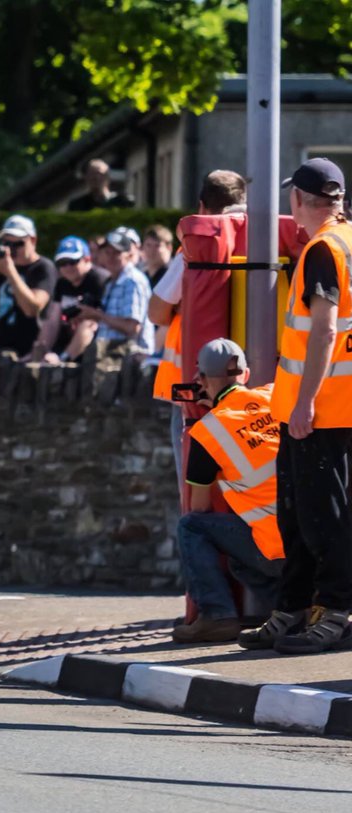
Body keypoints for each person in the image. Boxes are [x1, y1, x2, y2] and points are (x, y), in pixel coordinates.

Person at [241, 158, 352, 654]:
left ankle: (337, 612)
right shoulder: (346, 241)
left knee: (321, 520)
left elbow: (325, 330)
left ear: (298, 201)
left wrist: (305, 402)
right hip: (319, 408)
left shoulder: (323, 250)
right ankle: (292, 608)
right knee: (298, 516)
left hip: (321, 410)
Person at [172, 340, 285, 643]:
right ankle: (301, 606)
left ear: (201, 381)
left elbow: (199, 508)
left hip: (276, 552)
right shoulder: (276, 394)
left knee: (191, 526)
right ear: (246, 375)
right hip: (319, 545)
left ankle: (216, 615)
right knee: (238, 560)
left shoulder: (207, 431)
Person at [150, 170, 248, 496]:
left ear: (202, 206)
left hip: (199, 388)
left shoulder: (200, 243)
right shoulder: (272, 236)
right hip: (258, 384)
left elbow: (156, 310)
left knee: (196, 494)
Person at [0, 214, 56, 357]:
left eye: (18, 244)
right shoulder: (0, 268)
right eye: (7, 244)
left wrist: (10, 271)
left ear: (33, 240)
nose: (12, 250)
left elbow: (32, 309)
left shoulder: (43, 267)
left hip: (30, 352)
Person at [30, 236, 108, 363]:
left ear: (87, 259)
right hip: (67, 337)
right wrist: (41, 347)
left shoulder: (99, 280)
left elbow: (95, 320)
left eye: (72, 262)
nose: (67, 267)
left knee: (87, 324)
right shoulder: (62, 283)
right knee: (47, 326)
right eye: (62, 263)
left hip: (96, 344)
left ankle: (63, 360)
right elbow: (53, 320)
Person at [78, 227, 154, 356]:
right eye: (107, 252)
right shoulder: (112, 281)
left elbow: (132, 328)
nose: (111, 257)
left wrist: (98, 315)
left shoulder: (132, 280)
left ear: (129, 255)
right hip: (112, 357)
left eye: (116, 253)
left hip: (131, 360)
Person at [67, 159, 134, 212]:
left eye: (99, 174)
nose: (96, 178)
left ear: (107, 177)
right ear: (86, 178)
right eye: (91, 174)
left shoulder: (121, 202)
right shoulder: (77, 206)